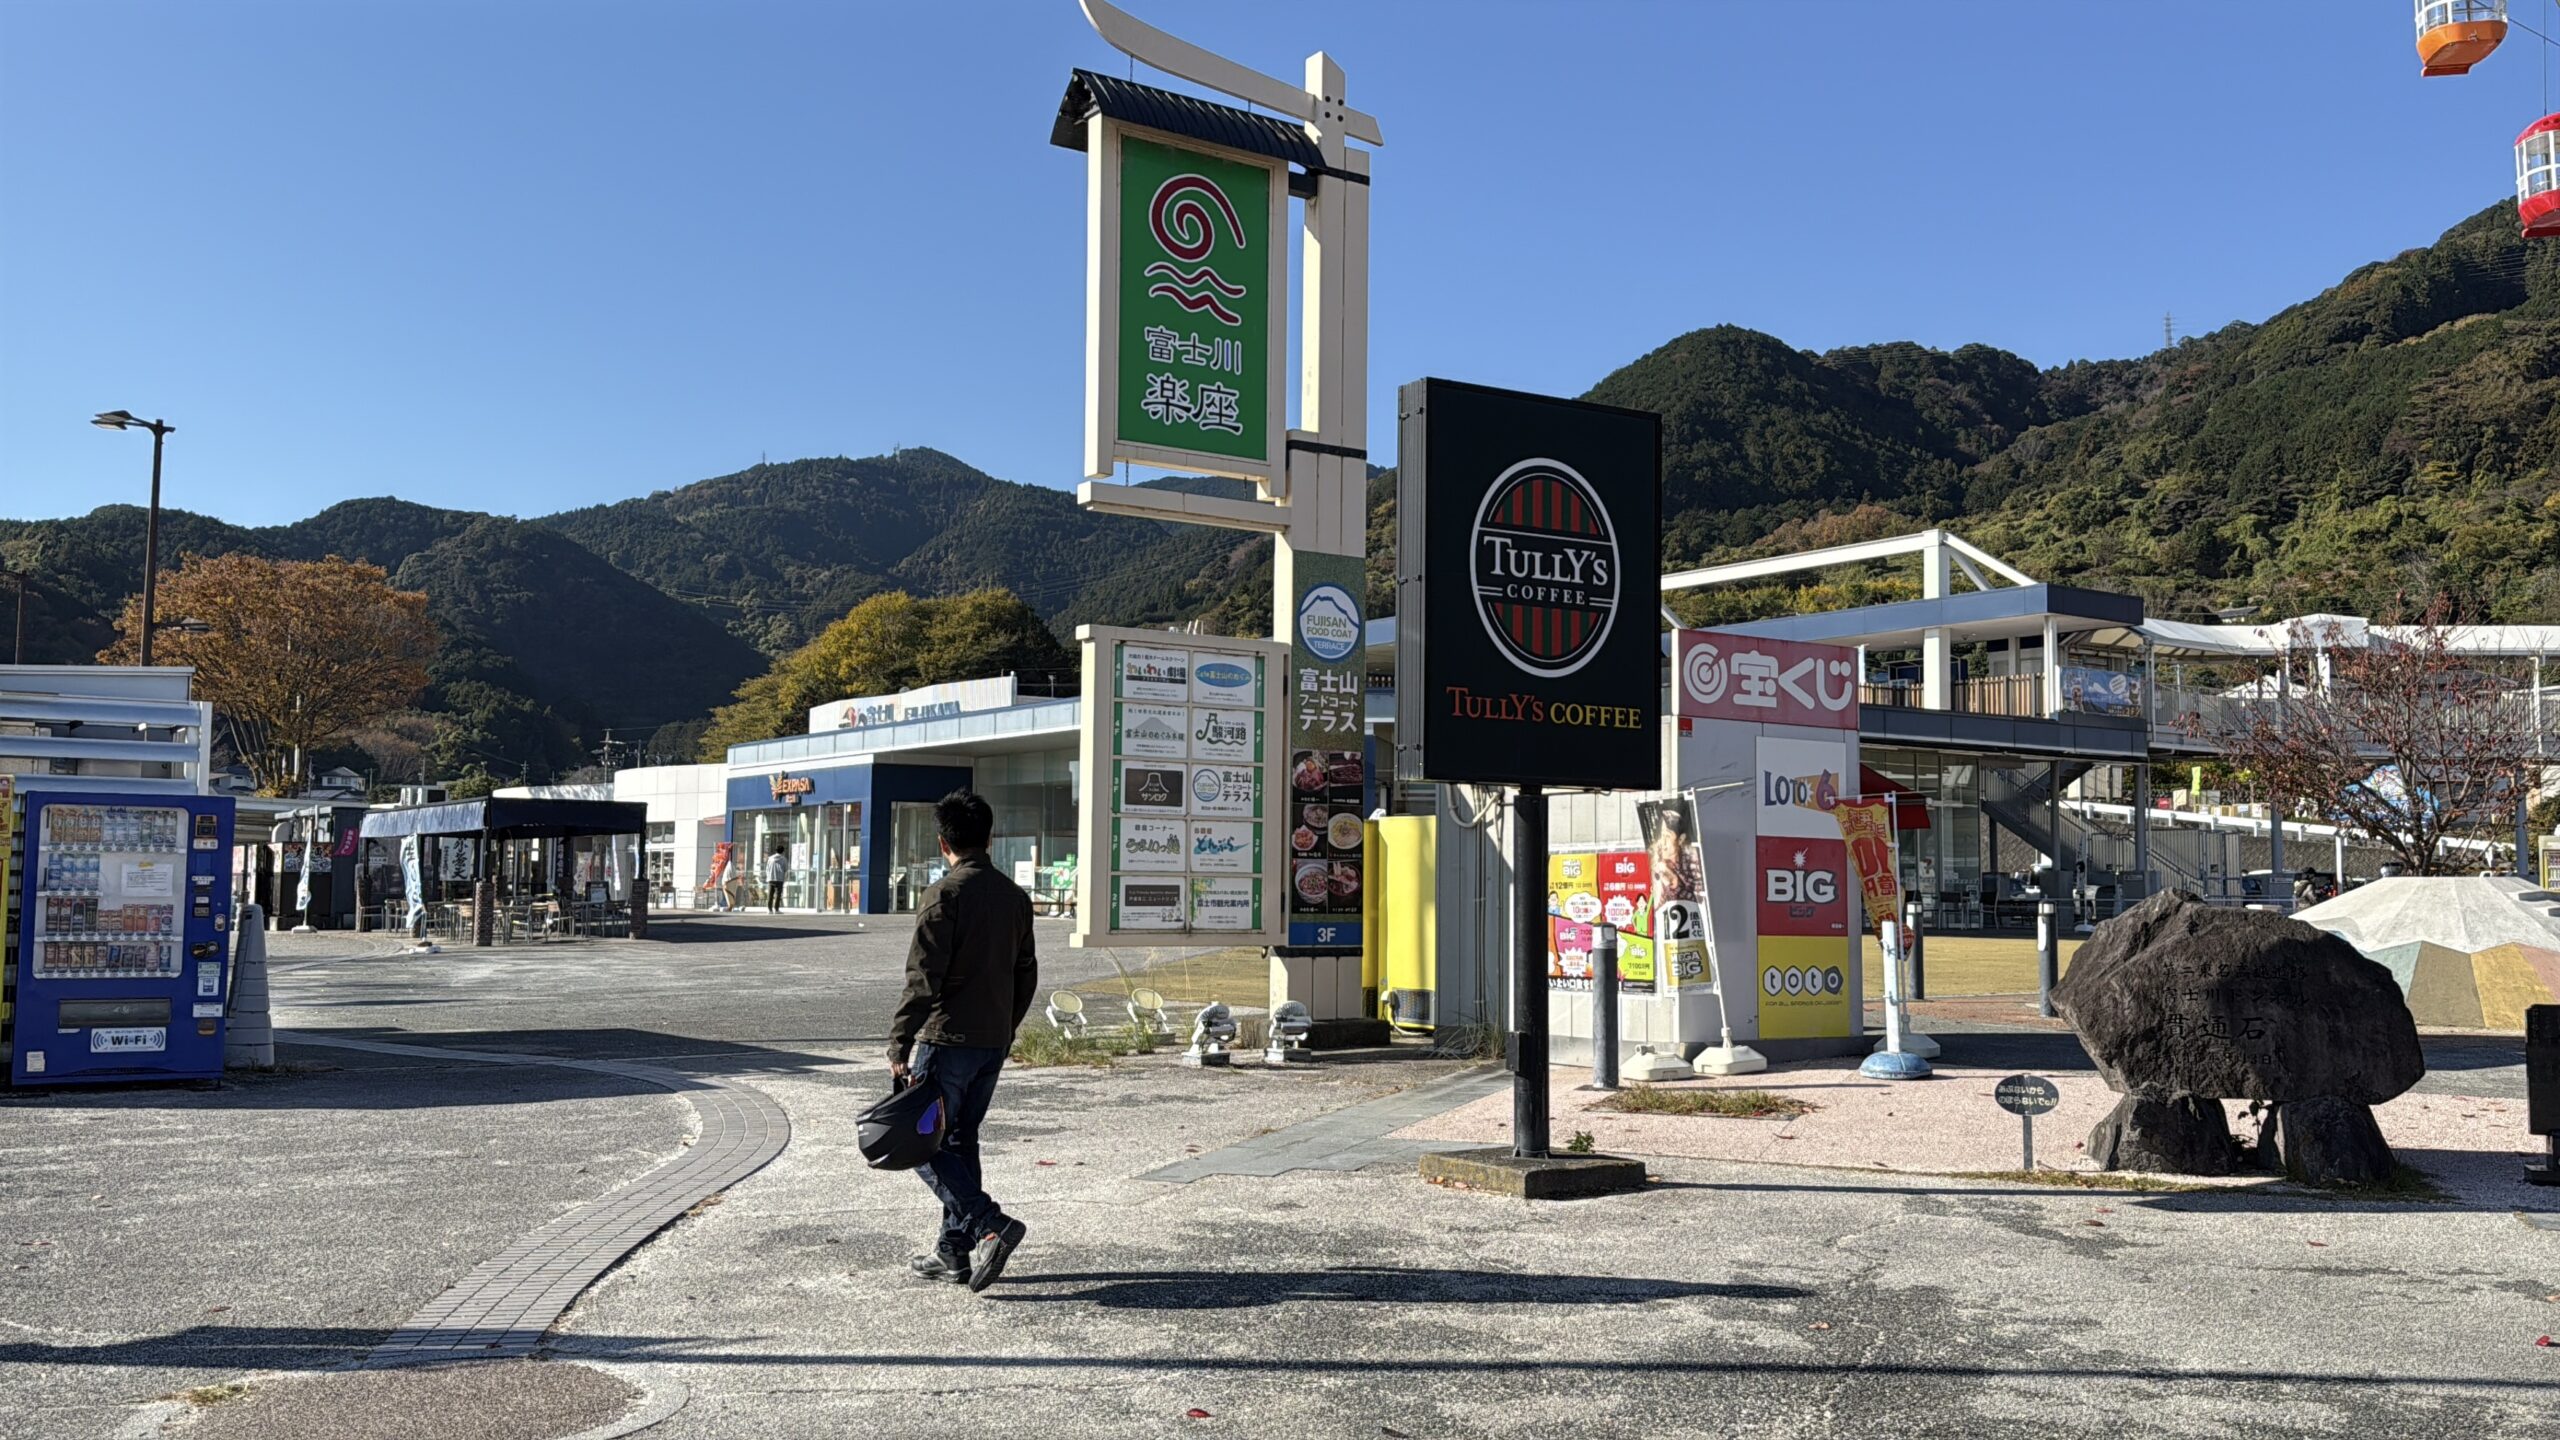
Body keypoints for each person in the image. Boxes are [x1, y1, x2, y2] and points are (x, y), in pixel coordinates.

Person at [889, 789, 1037, 1293]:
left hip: (947, 1037)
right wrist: (1005, 1026)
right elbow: (1026, 974)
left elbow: (923, 979)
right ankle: (952, 1253)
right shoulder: (1014, 897)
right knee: (958, 1141)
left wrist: (899, 1043)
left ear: (942, 841)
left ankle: (987, 1223)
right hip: (992, 1040)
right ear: (989, 837)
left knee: (917, 1144)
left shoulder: (944, 895)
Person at [763, 847, 786, 913]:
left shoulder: (770, 858)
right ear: (782, 851)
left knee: (770, 894)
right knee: (778, 895)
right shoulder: (783, 859)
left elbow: (767, 868)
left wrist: (768, 876)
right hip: (779, 879)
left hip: (770, 878)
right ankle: (776, 909)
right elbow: (785, 869)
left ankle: (769, 909)